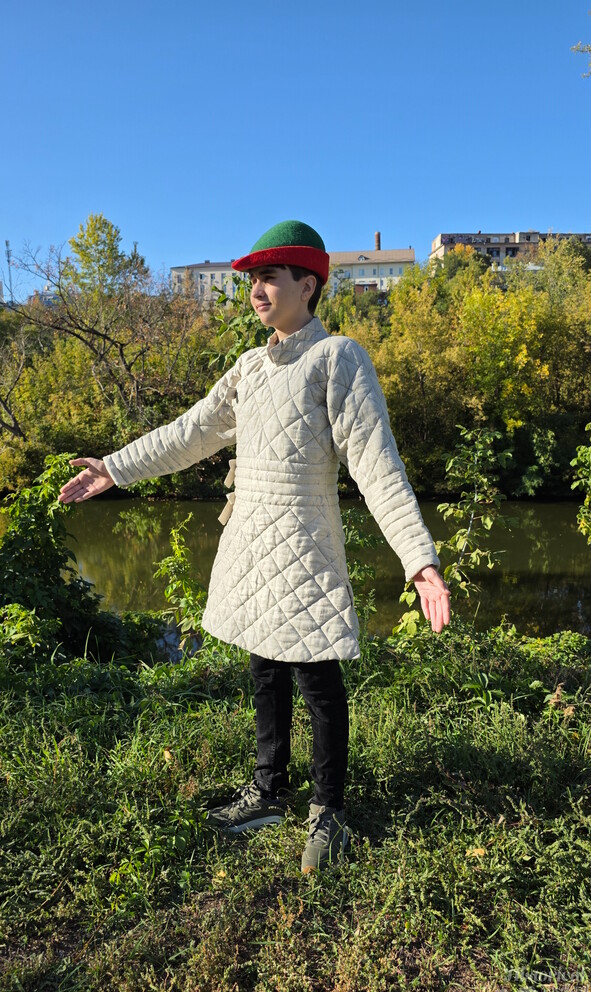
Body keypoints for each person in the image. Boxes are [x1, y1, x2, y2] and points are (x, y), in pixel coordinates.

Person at [59, 219, 450, 874]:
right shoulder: (248, 368)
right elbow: (188, 434)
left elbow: (377, 466)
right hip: (250, 540)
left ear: (309, 284)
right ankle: (268, 791)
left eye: (269, 277)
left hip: (305, 544)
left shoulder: (338, 358)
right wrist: (114, 468)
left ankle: (328, 811)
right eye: (252, 280)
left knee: (317, 676)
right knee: (264, 668)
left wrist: (419, 559)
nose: (256, 290)